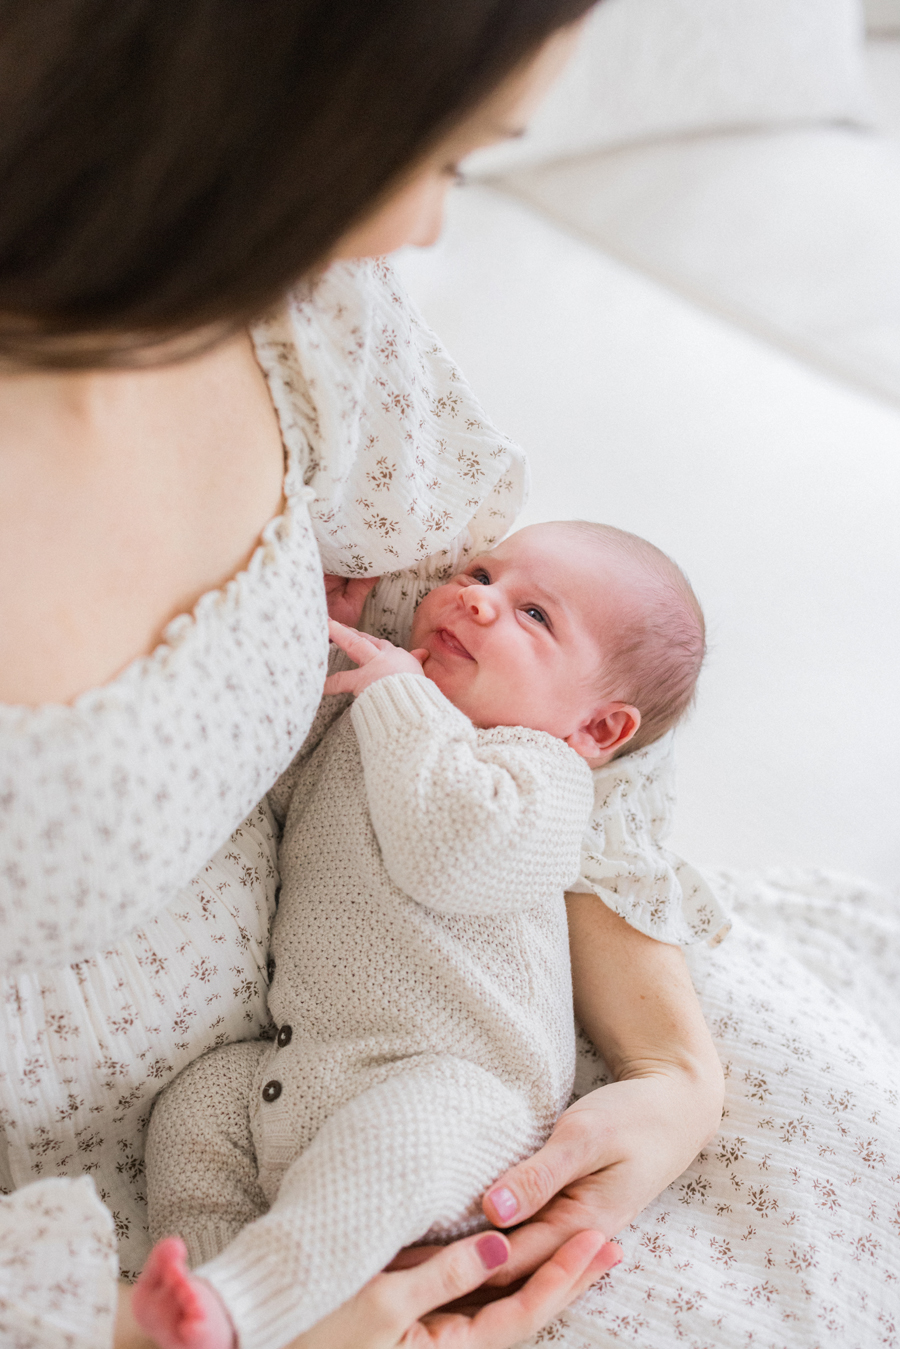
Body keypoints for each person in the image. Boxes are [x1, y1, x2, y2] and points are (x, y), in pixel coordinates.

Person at [0, 6, 727, 1348]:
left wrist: (676, 1072)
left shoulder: (299, 309)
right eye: (435, 158)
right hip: (106, 1236)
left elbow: (583, 724)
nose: (424, 237)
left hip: (443, 1099)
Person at [131, 520, 709, 1349]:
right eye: (480, 572)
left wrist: (400, 694)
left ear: (597, 731)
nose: (477, 597)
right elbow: (269, 779)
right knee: (197, 1107)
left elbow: (453, 853)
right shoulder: (380, 715)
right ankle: (219, 1291)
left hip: (465, 1101)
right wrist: (297, 643)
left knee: (405, 1129)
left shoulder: (537, 774)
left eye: (534, 615)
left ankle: (248, 1301)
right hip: (304, 1070)